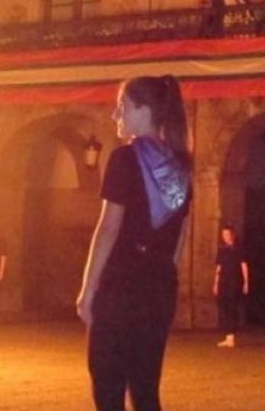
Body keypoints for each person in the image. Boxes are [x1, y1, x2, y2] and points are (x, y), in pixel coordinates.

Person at [76, 75, 193, 411]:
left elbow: (109, 228)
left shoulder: (125, 158)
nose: (116, 115)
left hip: (121, 284)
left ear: (143, 110)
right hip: (159, 287)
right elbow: (179, 240)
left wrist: (88, 289)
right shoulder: (181, 165)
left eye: (122, 107)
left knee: (108, 382)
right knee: (145, 389)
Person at [212, 224, 249, 348]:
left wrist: (246, 281)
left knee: (232, 306)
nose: (225, 237)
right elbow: (219, 267)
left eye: (227, 234)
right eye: (223, 235)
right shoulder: (221, 250)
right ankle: (228, 336)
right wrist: (215, 283)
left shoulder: (239, 249)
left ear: (232, 235)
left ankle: (231, 336)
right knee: (224, 306)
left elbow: (243, 265)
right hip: (223, 280)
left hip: (234, 280)